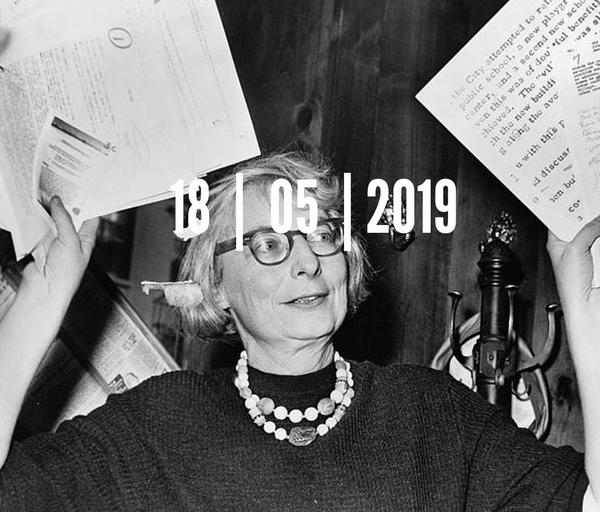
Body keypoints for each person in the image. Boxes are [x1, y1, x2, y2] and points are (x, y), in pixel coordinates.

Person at [0, 150, 599, 511]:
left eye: (322, 234)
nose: (308, 261)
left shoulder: (432, 413)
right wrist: (42, 298)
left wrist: (585, 304)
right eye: (268, 244)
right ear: (215, 284)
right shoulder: (157, 426)